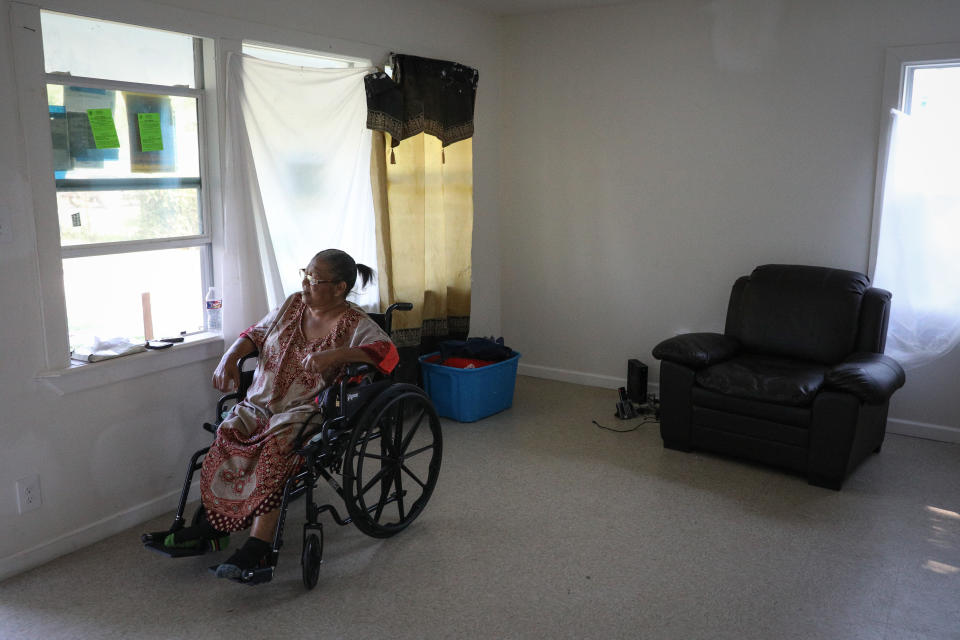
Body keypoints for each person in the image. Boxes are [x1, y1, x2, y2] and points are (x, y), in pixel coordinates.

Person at [163, 249, 399, 580]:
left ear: (339, 287)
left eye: (314, 279)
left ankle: (259, 548)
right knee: (227, 436)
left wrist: (336, 355)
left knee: (272, 455)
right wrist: (229, 357)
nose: (304, 282)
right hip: (260, 402)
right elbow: (254, 334)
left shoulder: (355, 323)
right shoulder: (292, 305)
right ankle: (212, 529)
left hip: (306, 410)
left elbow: (387, 355)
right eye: (305, 273)